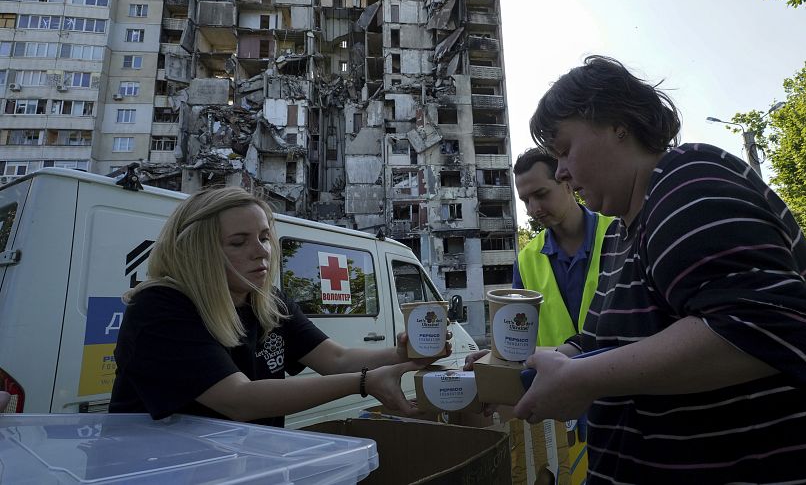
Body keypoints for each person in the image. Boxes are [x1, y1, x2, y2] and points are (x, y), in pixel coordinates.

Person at [515, 55, 806, 483]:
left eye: (565, 150)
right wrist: (526, 365)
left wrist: (582, 378)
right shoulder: (621, 232)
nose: (562, 171)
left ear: (618, 123)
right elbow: (599, 341)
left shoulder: (687, 181)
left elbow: (763, 326)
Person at [109, 187, 433, 426]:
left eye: (264, 237)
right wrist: (365, 382)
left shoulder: (268, 302)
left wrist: (402, 354)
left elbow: (336, 358)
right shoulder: (160, 308)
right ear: (196, 252)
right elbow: (239, 400)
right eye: (239, 242)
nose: (262, 251)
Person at [512, 146, 612, 351]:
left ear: (567, 183)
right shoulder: (525, 261)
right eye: (525, 201)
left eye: (540, 194)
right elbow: (518, 335)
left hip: (620, 376)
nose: (533, 209)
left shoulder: (618, 233)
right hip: (553, 381)